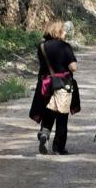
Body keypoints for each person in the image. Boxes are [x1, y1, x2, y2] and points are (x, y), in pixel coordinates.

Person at [29, 20, 80, 155]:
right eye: (63, 30)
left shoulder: (41, 46)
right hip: (62, 84)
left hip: (45, 84)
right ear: (58, 31)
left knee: (48, 111)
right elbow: (73, 67)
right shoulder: (64, 46)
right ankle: (58, 148)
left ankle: (45, 133)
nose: (65, 32)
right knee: (62, 116)